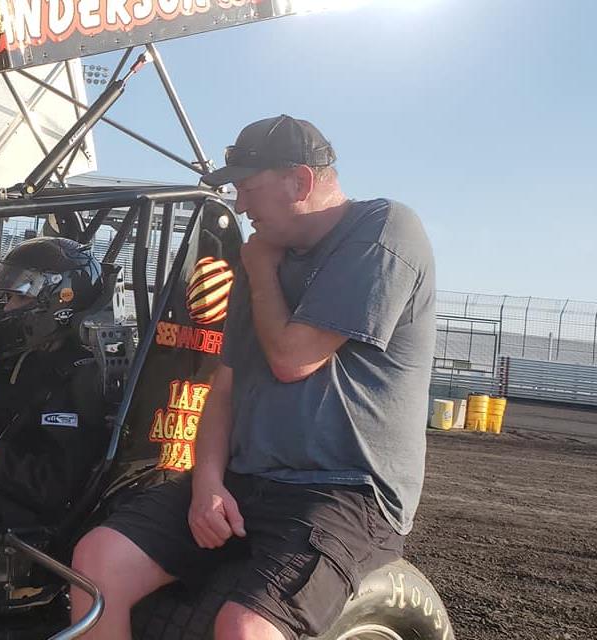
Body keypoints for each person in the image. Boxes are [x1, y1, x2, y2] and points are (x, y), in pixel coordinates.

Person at [70, 115, 436, 639]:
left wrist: (260, 267)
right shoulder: (263, 257)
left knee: (246, 628)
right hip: (247, 482)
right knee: (96, 560)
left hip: (345, 492)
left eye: (248, 187)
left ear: (300, 181)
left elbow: (295, 360)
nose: (240, 206)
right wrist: (207, 484)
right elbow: (224, 390)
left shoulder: (384, 228)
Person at [0, 236, 113, 519]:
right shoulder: (18, 359)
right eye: (7, 297)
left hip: (28, 520)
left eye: (21, 297)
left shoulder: (80, 379)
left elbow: (51, 489)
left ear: (59, 301)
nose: (7, 308)